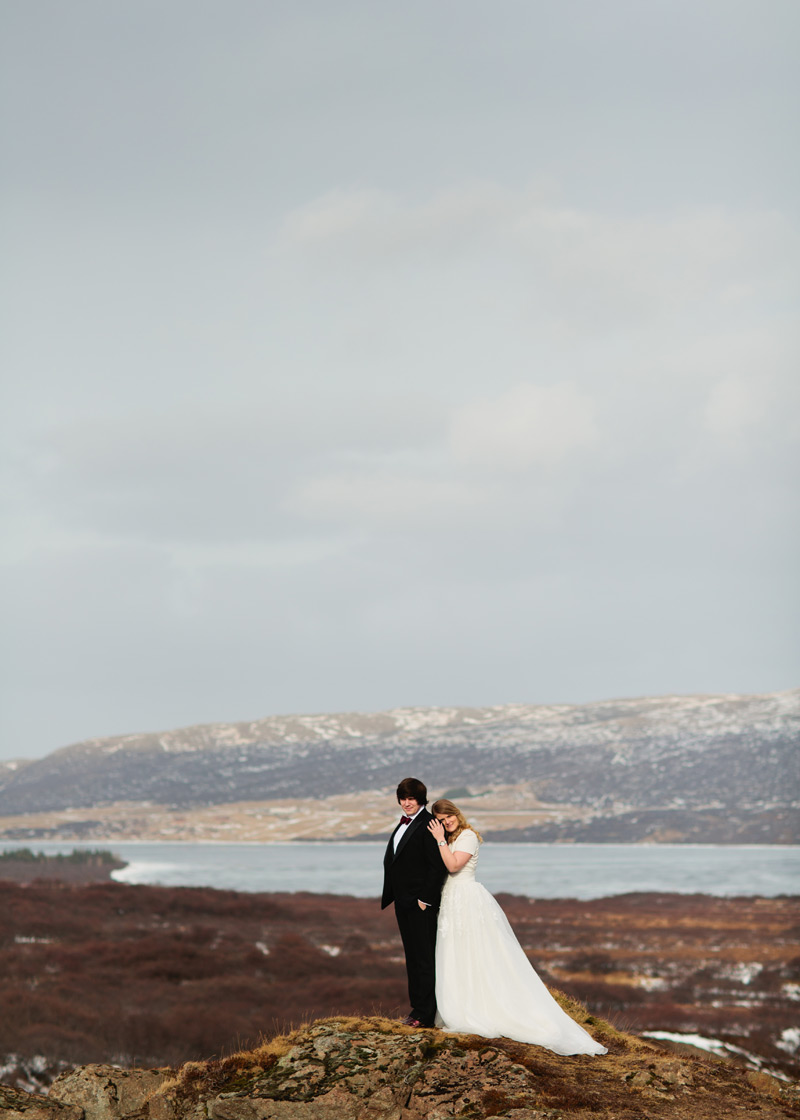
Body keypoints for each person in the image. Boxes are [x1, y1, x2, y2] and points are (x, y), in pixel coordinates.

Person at [427, 798, 608, 1055]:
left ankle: (486, 1009)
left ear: (456, 814)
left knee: (477, 952)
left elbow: (454, 865)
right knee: (457, 953)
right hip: (451, 901)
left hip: (466, 900)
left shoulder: (466, 836)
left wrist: (439, 839)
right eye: (442, 821)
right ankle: (461, 1005)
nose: (447, 823)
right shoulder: (450, 837)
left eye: (449, 817)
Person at [381, 777, 447, 1028]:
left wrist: (424, 900)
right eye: (404, 798)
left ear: (421, 800)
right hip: (404, 903)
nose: (407, 803)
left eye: (412, 799)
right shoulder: (404, 824)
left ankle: (425, 1013)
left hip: (420, 904)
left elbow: (436, 867)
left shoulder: (429, 824)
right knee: (413, 956)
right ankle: (417, 1009)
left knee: (424, 958)